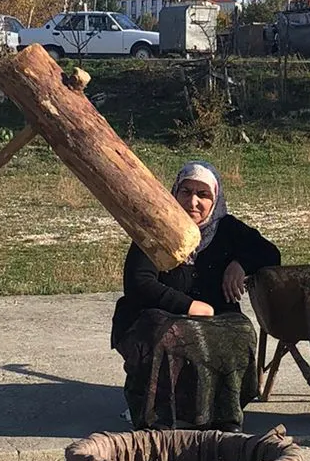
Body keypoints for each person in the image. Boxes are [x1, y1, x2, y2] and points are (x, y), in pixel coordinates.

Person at [110, 162, 280, 426]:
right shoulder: (156, 227)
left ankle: (222, 413)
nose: (193, 201)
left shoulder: (227, 229)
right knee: (166, 334)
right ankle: (157, 413)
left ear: (215, 199)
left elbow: (270, 253)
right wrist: (188, 305)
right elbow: (138, 282)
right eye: (186, 191)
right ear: (174, 193)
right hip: (157, 314)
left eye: (203, 195)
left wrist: (240, 264)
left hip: (215, 317)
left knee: (242, 330)